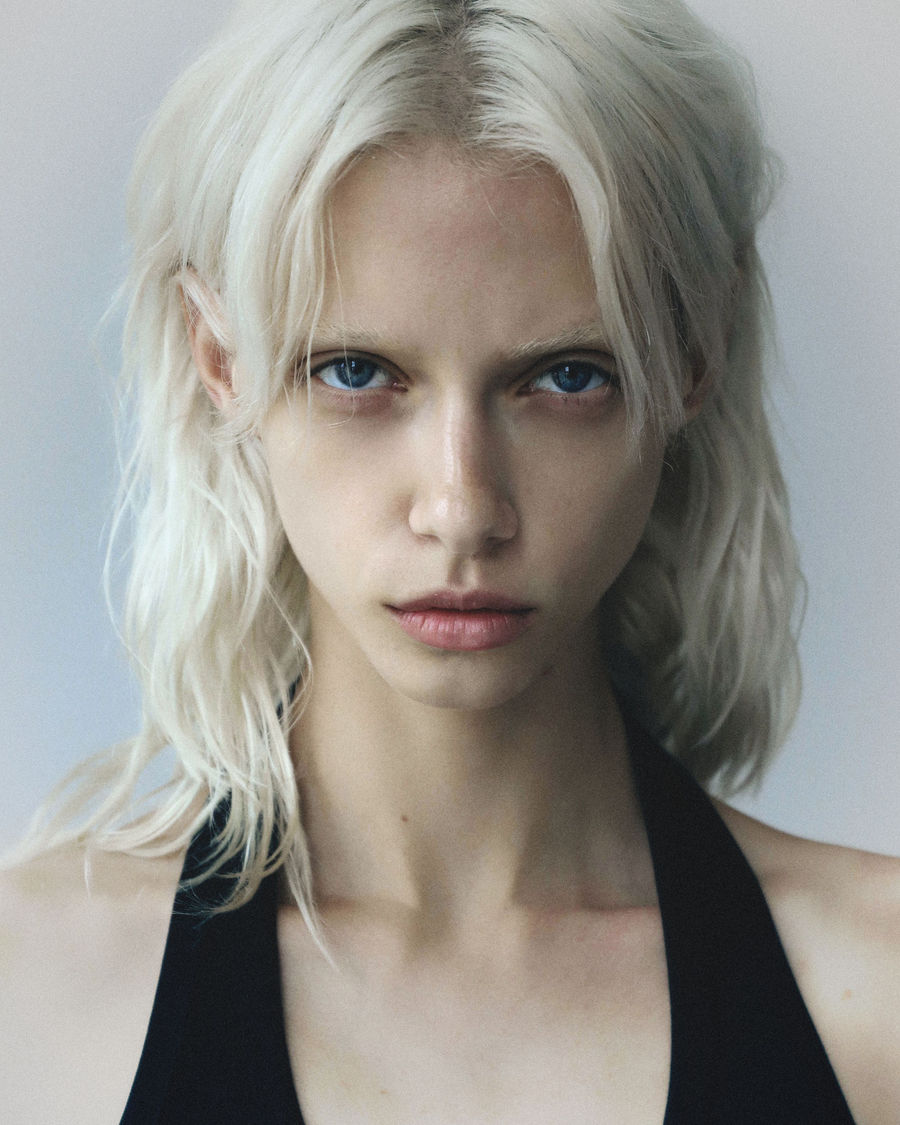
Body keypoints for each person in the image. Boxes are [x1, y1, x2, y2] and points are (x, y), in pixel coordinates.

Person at [1, 0, 898, 1121]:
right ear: (219, 358)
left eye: (567, 377)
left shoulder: (880, 995)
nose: (463, 508)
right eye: (356, 372)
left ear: (692, 358)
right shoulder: (29, 1000)